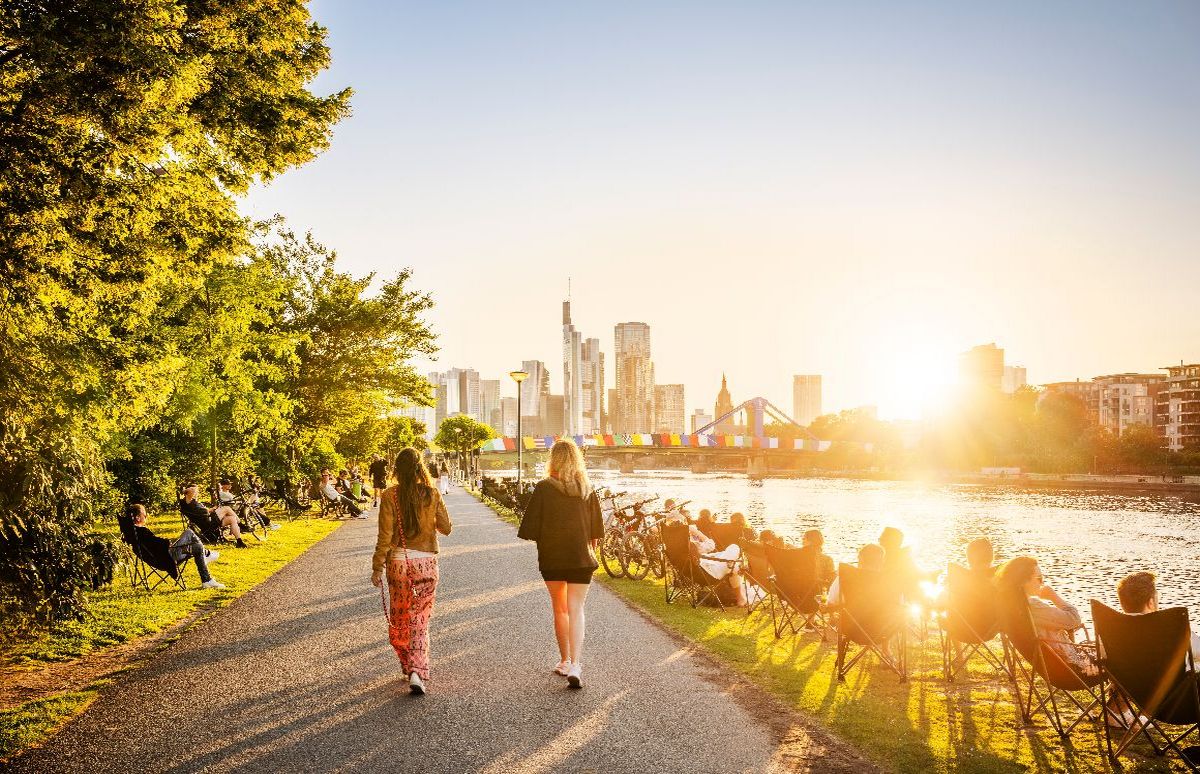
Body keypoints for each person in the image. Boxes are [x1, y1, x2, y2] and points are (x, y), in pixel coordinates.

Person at [517, 439, 603, 689]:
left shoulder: (544, 488)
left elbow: (530, 529)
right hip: (581, 557)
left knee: (560, 608)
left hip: (553, 557)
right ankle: (576, 664)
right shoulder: (587, 488)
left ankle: (564, 661)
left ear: (552, 460)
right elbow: (596, 532)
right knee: (576, 608)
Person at [371, 448, 452, 695]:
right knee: (420, 618)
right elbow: (446, 528)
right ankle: (418, 670)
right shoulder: (432, 493)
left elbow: (384, 536)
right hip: (426, 562)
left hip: (398, 562)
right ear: (420, 468)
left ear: (397, 469)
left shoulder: (389, 496)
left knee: (400, 616)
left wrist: (377, 566)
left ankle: (408, 664)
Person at [994, 556, 1097, 676]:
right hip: (1073, 669)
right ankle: (1116, 694)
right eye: (1039, 578)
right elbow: (1074, 619)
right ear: (1023, 582)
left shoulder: (1010, 606)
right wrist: (1053, 597)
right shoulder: (1031, 608)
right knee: (1116, 653)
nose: (1042, 582)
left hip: (1053, 668)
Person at [128, 504, 223, 588]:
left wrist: (166, 542)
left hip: (160, 558)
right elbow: (161, 544)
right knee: (190, 534)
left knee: (197, 546)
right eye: (144, 514)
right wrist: (169, 542)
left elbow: (155, 544)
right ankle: (206, 564)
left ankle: (206, 573)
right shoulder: (142, 532)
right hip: (168, 558)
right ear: (137, 517)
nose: (146, 516)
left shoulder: (133, 533)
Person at [1116, 571, 1200, 662]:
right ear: (1151, 603)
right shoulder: (1173, 627)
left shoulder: (1111, 629)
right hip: (1174, 675)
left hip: (1124, 675)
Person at [179, 484, 246, 547]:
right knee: (227, 508)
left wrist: (213, 508)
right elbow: (205, 512)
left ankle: (239, 541)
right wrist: (213, 509)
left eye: (196, 491)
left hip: (209, 520)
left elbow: (203, 511)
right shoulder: (187, 501)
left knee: (232, 518)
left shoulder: (193, 502)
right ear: (188, 492)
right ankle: (241, 525)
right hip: (207, 522)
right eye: (195, 491)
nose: (196, 492)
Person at [826, 543, 884, 608]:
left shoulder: (847, 575)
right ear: (881, 562)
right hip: (881, 617)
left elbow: (831, 602)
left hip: (851, 617)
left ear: (861, 559)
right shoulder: (889, 581)